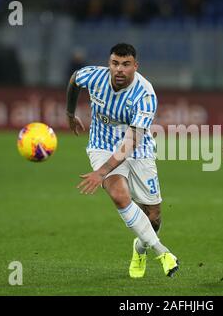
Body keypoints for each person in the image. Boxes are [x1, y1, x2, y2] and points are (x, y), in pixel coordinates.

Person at [65, 43, 179, 278]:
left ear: (135, 66)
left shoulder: (145, 94)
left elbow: (132, 141)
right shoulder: (94, 76)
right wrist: (69, 113)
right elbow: (75, 79)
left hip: (137, 148)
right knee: (119, 194)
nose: (119, 69)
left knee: (154, 216)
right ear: (109, 63)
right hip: (101, 145)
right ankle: (163, 252)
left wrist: (100, 173)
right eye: (115, 63)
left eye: (126, 65)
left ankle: (140, 247)